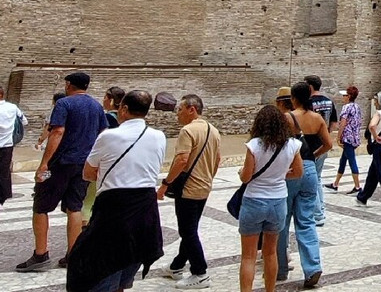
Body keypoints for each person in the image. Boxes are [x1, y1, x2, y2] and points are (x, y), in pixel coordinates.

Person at [66, 90, 167, 292]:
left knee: (99, 262)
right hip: (146, 206)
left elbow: (87, 173)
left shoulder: (109, 136)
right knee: (129, 258)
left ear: (124, 108)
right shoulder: (159, 136)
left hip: (114, 207)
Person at [17, 71, 109, 272]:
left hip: (61, 163)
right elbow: (103, 133)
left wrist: (44, 163)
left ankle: (41, 254)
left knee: (41, 206)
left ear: (68, 85)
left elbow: (57, 132)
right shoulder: (96, 106)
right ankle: (72, 254)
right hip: (83, 164)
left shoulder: (64, 104)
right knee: (74, 207)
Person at [158, 94, 222, 288]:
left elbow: (181, 160)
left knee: (187, 231)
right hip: (204, 186)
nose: (178, 113)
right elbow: (217, 160)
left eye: (180, 109)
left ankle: (200, 272)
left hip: (188, 189)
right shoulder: (214, 130)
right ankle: (177, 265)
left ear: (191, 109)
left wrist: (166, 183)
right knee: (190, 229)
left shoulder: (188, 131)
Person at [237, 105, 303, 292]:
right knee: (270, 252)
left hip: (254, 200)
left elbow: (246, 177)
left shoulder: (254, 145)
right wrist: (280, 175)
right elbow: (298, 172)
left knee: (248, 256)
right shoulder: (292, 145)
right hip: (278, 200)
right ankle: (270, 290)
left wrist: (241, 173)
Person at [278, 82, 332, 289]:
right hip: (309, 168)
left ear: (293, 98)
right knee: (306, 221)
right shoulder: (317, 118)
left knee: (283, 221)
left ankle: (281, 268)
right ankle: (312, 266)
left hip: (291, 170)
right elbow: (328, 144)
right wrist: (313, 157)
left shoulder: (287, 118)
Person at [304, 75, 337, 226]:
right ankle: (320, 209)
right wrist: (327, 135)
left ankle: (317, 214)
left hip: (311, 143)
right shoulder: (329, 101)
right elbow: (334, 122)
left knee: (312, 180)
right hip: (324, 142)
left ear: (310, 86)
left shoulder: (308, 102)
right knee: (317, 178)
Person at [325, 86, 361, 194]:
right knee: (343, 160)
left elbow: (343, 123)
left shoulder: (346, 108)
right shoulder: (357, 107)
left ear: (349, 96)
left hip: (347, 137)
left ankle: (357, 186)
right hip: (355, 137)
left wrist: (338, 136)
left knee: (352, 160)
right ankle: (335, 183)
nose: (343, 97)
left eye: (344, 95)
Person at [0, 85, 28, 206]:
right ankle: (4, 194)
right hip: (7, 144)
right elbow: (24, 121)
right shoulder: (12, 107)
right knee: (4, 170)